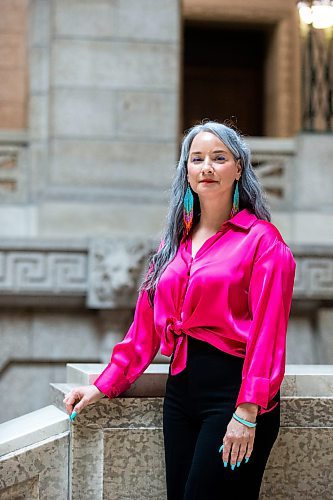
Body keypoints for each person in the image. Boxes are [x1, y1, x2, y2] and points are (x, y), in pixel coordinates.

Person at [63, 120, 296, 500]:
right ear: (186, 172)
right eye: (197, 158)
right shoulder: (173, 245)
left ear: (238, 169)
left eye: (219, 158)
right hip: (181, 395)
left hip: (233, 394)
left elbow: (268, 334)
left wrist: (247, 411)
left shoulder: (262, 241)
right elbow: (143, 334)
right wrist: (102, 386)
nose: (207, 167)